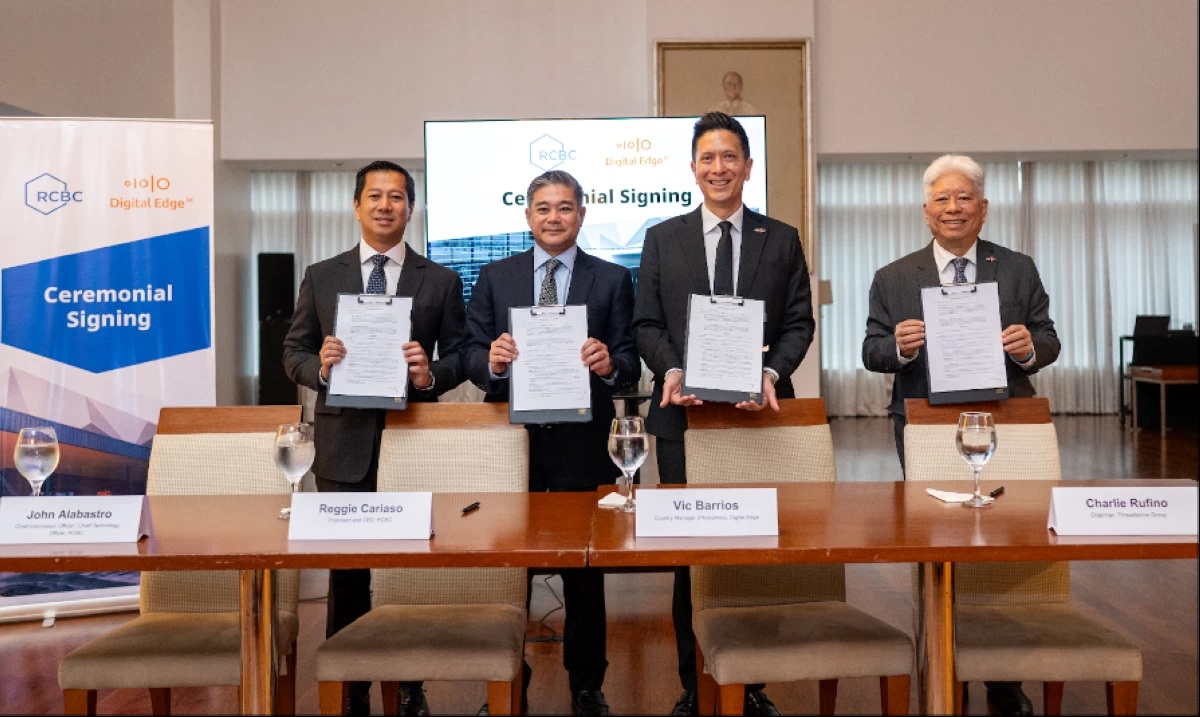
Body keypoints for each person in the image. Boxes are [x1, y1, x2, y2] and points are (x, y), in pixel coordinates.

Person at [861, 153, 1060, 717]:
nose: (954, 208)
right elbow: (872, 352)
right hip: (927, 424)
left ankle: (1001, 675)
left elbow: (1048, 339)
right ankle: (942, 660)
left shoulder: (1017, 268)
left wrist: (1029, 347)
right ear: (926, 211)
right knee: (937, 541)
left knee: (1005, 544)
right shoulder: (894, 277)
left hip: (1007, 421)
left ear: (983, 208)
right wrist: (899, 345)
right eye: (942, 200)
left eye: (964, 198)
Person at [632, 112, 814, 717]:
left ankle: (751, 682)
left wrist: (769, 374)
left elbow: (797, 325)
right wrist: (672, 371)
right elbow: (647, 325)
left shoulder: (780, 238)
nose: (719, 168)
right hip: (684, 420)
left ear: (748, 167)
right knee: (692, 554)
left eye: (730, 157)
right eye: (708, 158)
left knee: (747, 551)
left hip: (751, 420)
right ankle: (694, 684)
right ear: (692, 168)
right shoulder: (663, 238)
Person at [282, 160, 466, 717]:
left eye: (397, 197)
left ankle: (409, 684)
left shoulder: (440, 280)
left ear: (412, 207)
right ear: (357, 205)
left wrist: (427, 373)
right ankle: (354, 687)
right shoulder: (323, 273)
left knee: (409, 570)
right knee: (350, 572)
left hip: (411, 440)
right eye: (375, 196)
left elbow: (460, 357)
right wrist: (322, 366)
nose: (386, 205)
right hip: (342, 447)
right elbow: (293, 352)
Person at [462, 170, 638, 717]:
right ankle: (509, 675)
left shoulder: (611, 280)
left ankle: (587, 684)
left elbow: (631, 360)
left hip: (584, 444)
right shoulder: (495, 278)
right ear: (528, 216)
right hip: (513, 444)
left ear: (582, 215)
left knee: (587, 569)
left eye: (565, 208)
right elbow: (470, 352)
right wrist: (490, 361)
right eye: (543, 208)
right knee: (509, 564)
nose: (554, 217)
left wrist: (610, 365)